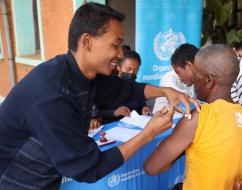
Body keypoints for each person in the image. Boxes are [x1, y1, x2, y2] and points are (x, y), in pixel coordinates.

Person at [0, 3, 199, 190]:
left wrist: (167, 91)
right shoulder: (51, 95)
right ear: (87, 41)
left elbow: (127, 89)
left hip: (45, 178)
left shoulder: (85, 74)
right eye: (116, 45)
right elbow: (89, 167)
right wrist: (148, 133)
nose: (121, 54)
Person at [144, 45, 242, 190]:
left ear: (209, 81)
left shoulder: (199, 117)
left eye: (196, 75)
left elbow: (151, 167)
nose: (193, 82)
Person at [90, 50, 151, 128]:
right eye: (128, 69)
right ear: (118, 67)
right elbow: (97, 114)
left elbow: (142, 105)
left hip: (135, 127)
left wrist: (145, 108)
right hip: (111, 128)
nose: (132, 73)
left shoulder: (136, 87)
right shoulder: (106, 87)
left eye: (136, 71)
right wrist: (115, 112)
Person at [152, 44, 198, 113]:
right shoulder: (169, 78)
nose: (179, 77)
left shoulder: (195, 80)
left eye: (179, 72)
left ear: (189, 66)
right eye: (177, 72)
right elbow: (180, 97)